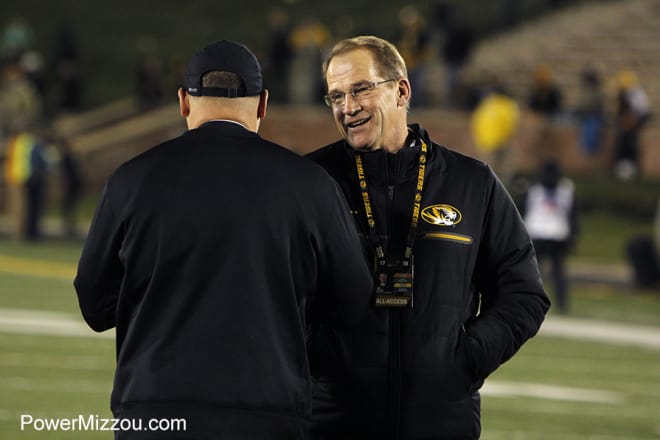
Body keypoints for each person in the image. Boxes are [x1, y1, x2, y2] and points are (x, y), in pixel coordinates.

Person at [74, 40, 373, 439]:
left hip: (156, 412)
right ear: (263, 104)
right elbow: (353, 302)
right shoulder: (310, 185)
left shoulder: (131, 179)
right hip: (269, 413)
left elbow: (95, 305)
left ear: (183, 101)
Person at [306, 35, 550, 439]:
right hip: (334, 419)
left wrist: (464, 361)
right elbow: (274, 288)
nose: (347, 108)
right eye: (335, 96)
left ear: (401, 90)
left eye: (360, 89)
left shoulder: (472, 183)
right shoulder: (311, 182)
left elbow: (523, 294)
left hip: (441, 420)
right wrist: (323, 361)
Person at [522, 159, 578, 313]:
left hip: (540, 233)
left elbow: (524, 210)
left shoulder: (534, 188)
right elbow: (572, 215)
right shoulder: (566, 189)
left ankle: (528, 302)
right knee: (555, 272)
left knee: (534, 272)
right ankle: (561, 304)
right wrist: (573, 235)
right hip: (555, 234)